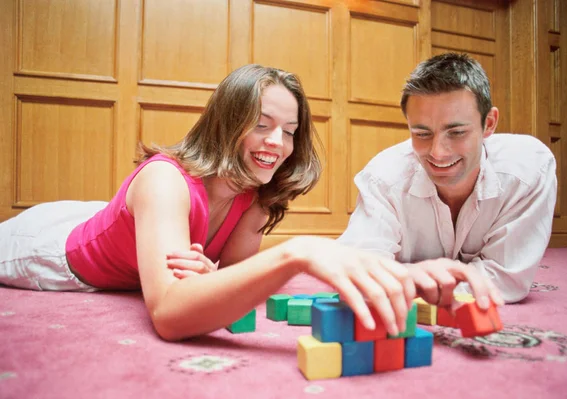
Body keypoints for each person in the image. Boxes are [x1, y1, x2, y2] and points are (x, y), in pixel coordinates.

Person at [0, 64, 501, 341]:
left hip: (114, 230)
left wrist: (209, 279)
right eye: (261, 124)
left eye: (289, 130)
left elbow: (226, 283)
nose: (276, 143)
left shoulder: (256, 199)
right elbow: (171, 316)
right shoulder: (164, 182)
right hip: (50, 249)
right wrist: (296, 252)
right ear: (226, 119)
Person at [338, 53, 557, 305]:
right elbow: (357, 270)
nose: (437, 153)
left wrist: (402, 280)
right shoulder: (383, 177)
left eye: (456, 132)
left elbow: (506, 279)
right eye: (421, 133)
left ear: (489, 123)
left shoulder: (529, 170)